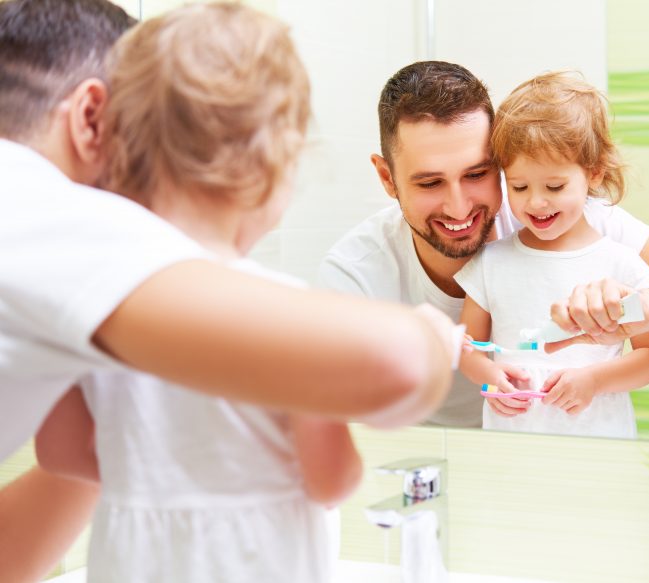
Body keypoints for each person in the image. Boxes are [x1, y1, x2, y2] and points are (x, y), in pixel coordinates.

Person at [0, 1, 454, 580]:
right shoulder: (288, 318)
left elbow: (66, 457)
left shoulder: (86, 310)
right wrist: (433, 336)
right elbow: (340, 463)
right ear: (277, 170)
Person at [318, 60, 649, 427]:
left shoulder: (572, 222)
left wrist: (632, 309)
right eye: (430, 182)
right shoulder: (355, 275)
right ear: (386, 178)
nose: (458, 207)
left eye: (478, 174)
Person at [456, 71, 649, 437]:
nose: (536, 202)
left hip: (598, 444)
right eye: (519, 186)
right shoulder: (491, 262)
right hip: (512, 447)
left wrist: (594, 381)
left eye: (555, 186)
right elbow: (465, 346)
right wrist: (489, 377)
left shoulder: (621, 264)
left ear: (593, 173)